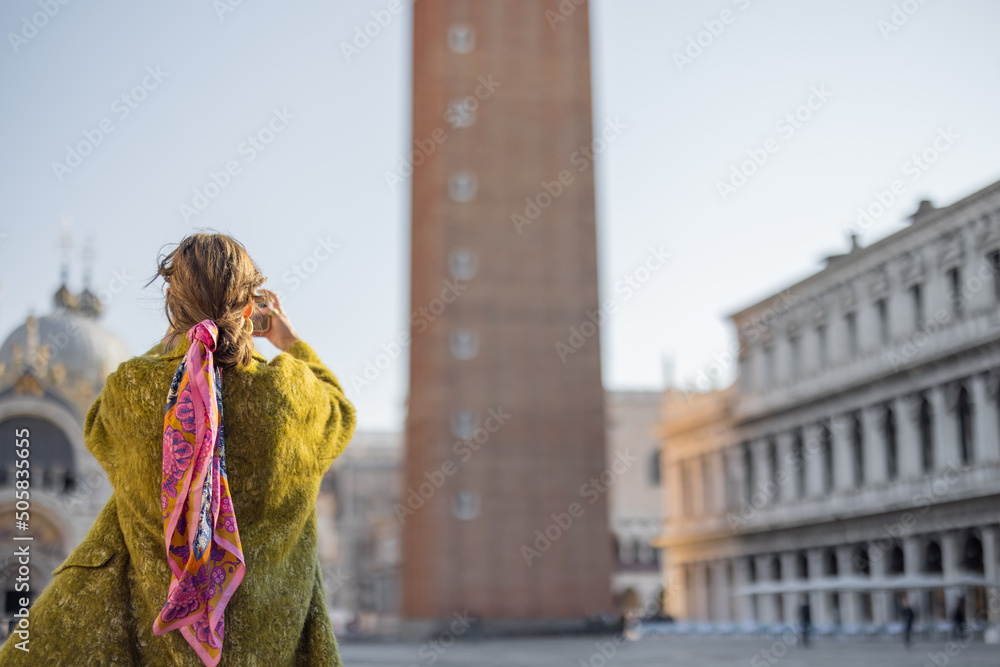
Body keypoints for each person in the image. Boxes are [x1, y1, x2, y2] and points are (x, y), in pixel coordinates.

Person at [0, 234, 356, 666]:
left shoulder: (130, 390)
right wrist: (290, 341)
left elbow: (97, 433)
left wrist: (179, 343)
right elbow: (341, 411)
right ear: (249, 311)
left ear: (173, 307)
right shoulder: (293, 395)